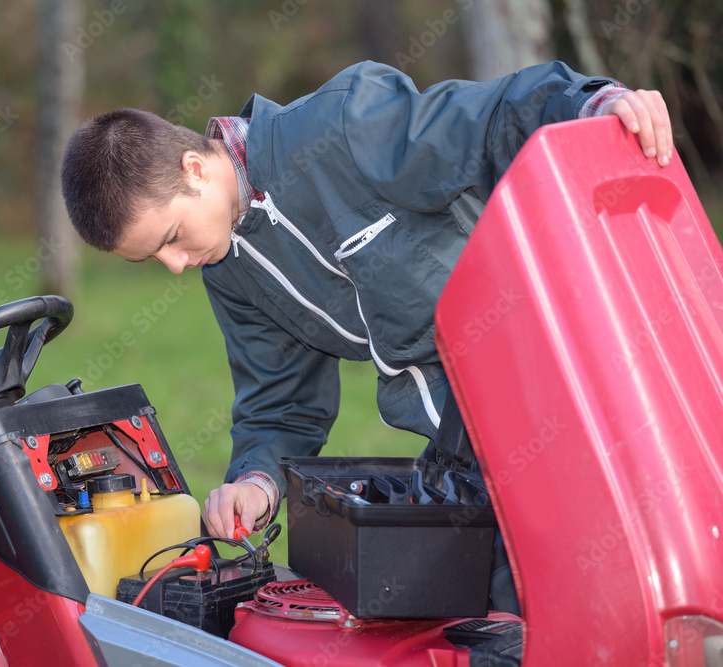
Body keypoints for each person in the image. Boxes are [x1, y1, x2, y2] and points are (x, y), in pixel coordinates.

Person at [60, 60, 673, 547]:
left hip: (567, 378)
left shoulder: (343, 124)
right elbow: (281, 403)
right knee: (457, 611)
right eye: (153, 258)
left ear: (194, 167)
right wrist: (257, 480)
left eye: (171, 237)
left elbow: (489, 119)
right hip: (463, 446)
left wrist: (597, 102)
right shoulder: (227, 267)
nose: (174, 265)